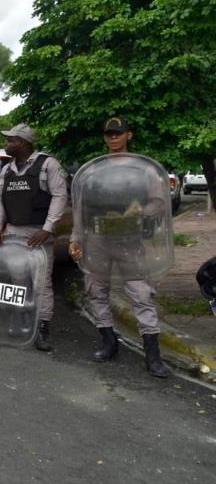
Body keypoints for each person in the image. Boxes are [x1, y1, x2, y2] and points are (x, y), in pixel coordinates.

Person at [68, 117, 170, 378]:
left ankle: (153, 356)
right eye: (109, 134)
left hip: (129, 238)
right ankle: (109, 343)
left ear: (129, 135)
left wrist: (140, 211)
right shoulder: (94, 171)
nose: (113, 138)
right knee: (96, 291)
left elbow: (159, 203)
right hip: (98, 239)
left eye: (118, 133)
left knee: (141, 294)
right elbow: (81, 209)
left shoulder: (143, 170)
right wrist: (75, 239)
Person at [0, 124, 69, 352]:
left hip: (38, 234)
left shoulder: (48, 165)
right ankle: (24, 320)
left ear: (23, 143)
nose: (6, 144)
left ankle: (42, 327)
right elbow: (0, 200)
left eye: (10, 141)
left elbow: (59, 196)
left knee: (41, 283)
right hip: (13, 231)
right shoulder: (7, 170)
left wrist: (48, 228)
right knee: (19, 281)